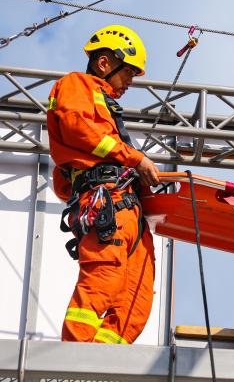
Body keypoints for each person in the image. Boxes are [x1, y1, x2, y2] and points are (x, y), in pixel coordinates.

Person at [48, 24, 160, 343]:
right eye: (128, 73)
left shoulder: (108, 109)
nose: (130, 82)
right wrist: (134, 158)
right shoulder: (75, 85)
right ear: (104, 63)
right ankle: (69, 367)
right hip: (106, 206)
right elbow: (76, 128)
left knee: (134, 303)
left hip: (128, 211)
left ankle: (100, 367)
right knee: (103, 282)